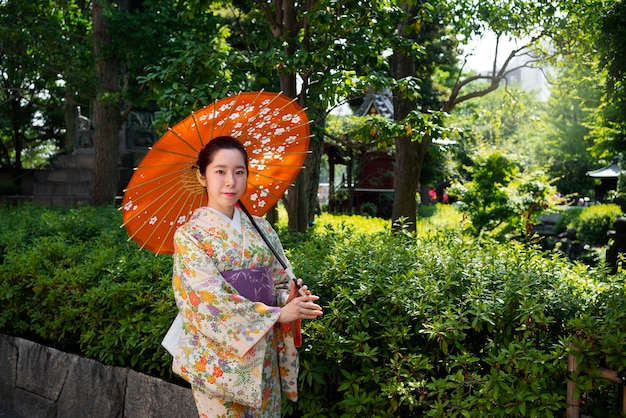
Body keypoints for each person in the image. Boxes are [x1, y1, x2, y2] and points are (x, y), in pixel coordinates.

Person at [170, 136, 323, 418]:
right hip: (217, 357)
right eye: (220, 171)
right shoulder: (191, 235)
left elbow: (278, 283)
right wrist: (277, 315)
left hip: (263, 353)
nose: (231, 181)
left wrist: (289, 298)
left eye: (239, 172)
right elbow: (207, 300)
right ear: (201, 176)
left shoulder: (261, 228)